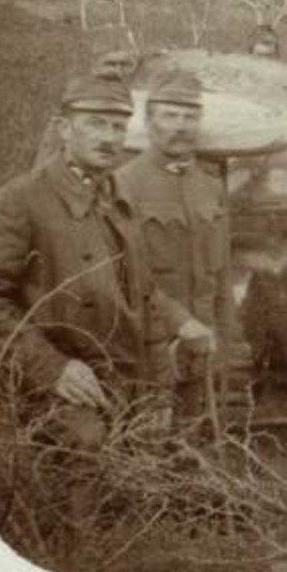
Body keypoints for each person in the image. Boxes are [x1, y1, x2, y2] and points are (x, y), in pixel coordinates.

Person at [0, 75, 212, 452]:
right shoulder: (17, 203)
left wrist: (160, 388)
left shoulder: (118, 196)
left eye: (117, 127)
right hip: (56, 393)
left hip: (128, 387)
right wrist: (51, 368)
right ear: (65, 129)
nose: (110, 138)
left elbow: (143, 295)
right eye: (95, 124)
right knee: (84, 472)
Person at [115, 71, 251, 424]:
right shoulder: (123, 184)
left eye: (190, 116)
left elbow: (220, 275)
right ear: (148, 120)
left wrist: (229, 342)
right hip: (149, 350)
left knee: (193, 451)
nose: (181, 126)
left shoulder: (210, 187)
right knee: (145, 452)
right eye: (170, 115)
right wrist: (181, 323)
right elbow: (124, 273)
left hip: (202, 354)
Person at [31, 27, 141, 169]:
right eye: (110, 64)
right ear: (94, 66)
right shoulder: (76, 103)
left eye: (125, 65)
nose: (117, 71)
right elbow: (44, 169)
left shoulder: (142, 104)